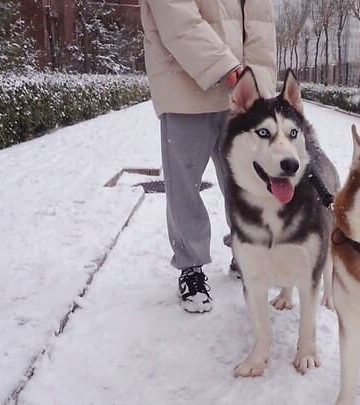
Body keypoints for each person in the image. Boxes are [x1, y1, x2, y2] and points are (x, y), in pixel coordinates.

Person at [140, 0, 277, 313]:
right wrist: (226, 67)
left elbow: (260, 27)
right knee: (184, 184)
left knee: (247, 182)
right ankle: (191, 266)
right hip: (184, 84)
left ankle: (246, 251)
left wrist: (258, 87)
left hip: (240, 94)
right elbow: (176, 15)